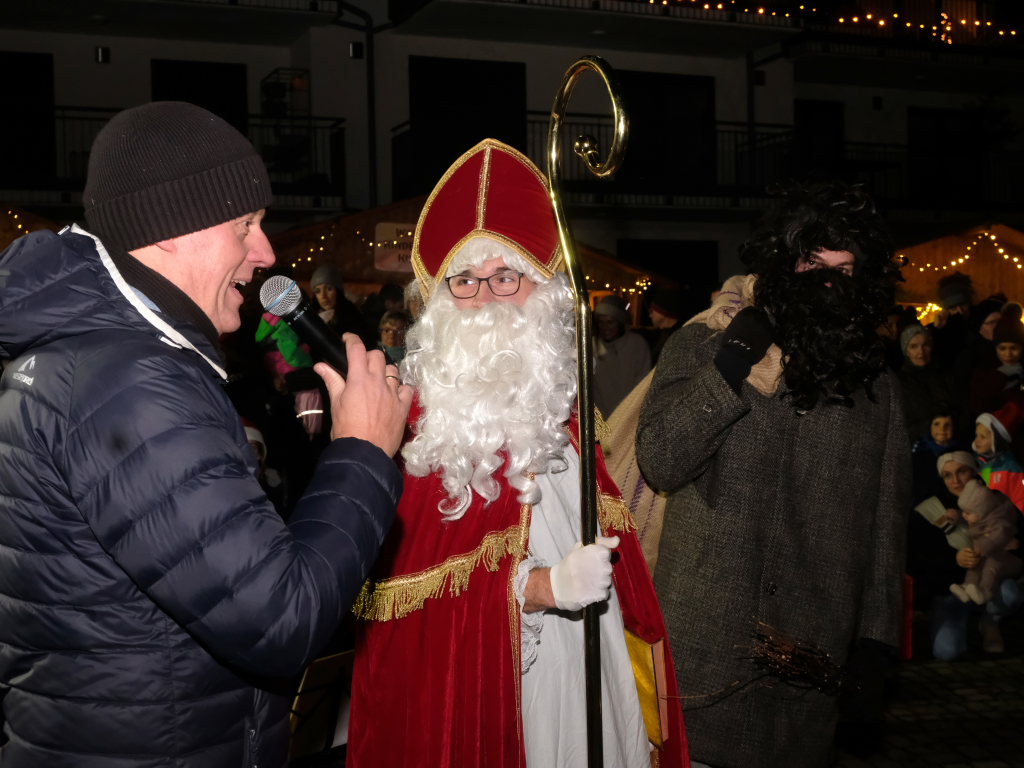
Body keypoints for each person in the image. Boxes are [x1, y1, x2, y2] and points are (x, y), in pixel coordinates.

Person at [0, 102, 412, 768]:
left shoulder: (102, 358)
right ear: (169, 229)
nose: (266, 253)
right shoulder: (128, 383)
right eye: (245, 224)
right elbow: (279, 618)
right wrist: (361, 451)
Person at [346, 139, 688, 768]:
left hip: (586, 658)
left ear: (543, 292)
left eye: (506, 277)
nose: (485, 298)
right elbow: (401, 595)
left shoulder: (566, 413)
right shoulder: (416, 427)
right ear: (440, 297)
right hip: (486, 687)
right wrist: (539, 588)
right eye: (465, 281)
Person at [637, 180, 908, 768]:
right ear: (784, 261)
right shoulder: (706, 342)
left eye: (844, 269)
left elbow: (885, 523)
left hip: (809, 658)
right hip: (705, 648)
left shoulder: (875, 384)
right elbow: (661, 459)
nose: (827, 281)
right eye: (812, 263)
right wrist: (731, 365)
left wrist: (875, 643)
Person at [949, 479, 1022, 605]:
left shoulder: (999, 523)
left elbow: (997, 537)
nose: (965, 515)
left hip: (1004, 559)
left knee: (991, 567)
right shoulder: (979, 517)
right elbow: (969, 517)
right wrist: (957, 516)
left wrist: (982, 547)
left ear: (982, 512)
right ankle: (967, 586)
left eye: (967, 513)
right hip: (985, 554)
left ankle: (985, 591)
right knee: (974, 566)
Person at [593, 294, 652, 417]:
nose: (605, 327)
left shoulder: (637, 344)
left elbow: (643, 384)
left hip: (628, 416)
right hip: (601, 419)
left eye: (610, 322)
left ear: (620, 322)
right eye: (601, 322)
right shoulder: (592, 346)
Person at [895, 323, 952, 445]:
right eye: (913, 346)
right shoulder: (900, 382)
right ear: (906, 351)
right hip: (919, 445)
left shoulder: (943, 375)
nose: (921, 351)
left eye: (925, 345)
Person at [310, 263, 375, 347]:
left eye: (329, 289)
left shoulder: (352, 317)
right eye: (317, 291)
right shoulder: (310, 317)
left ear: (337, 291)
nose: (323, 296)